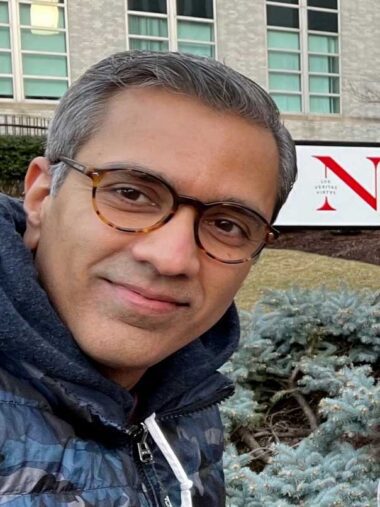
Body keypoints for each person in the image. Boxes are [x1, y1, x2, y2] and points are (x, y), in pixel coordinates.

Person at [0, 50, 297, 506]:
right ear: (41, 196)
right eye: (131, 193)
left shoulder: (184, 393)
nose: (171, 258)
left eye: (227, 224)